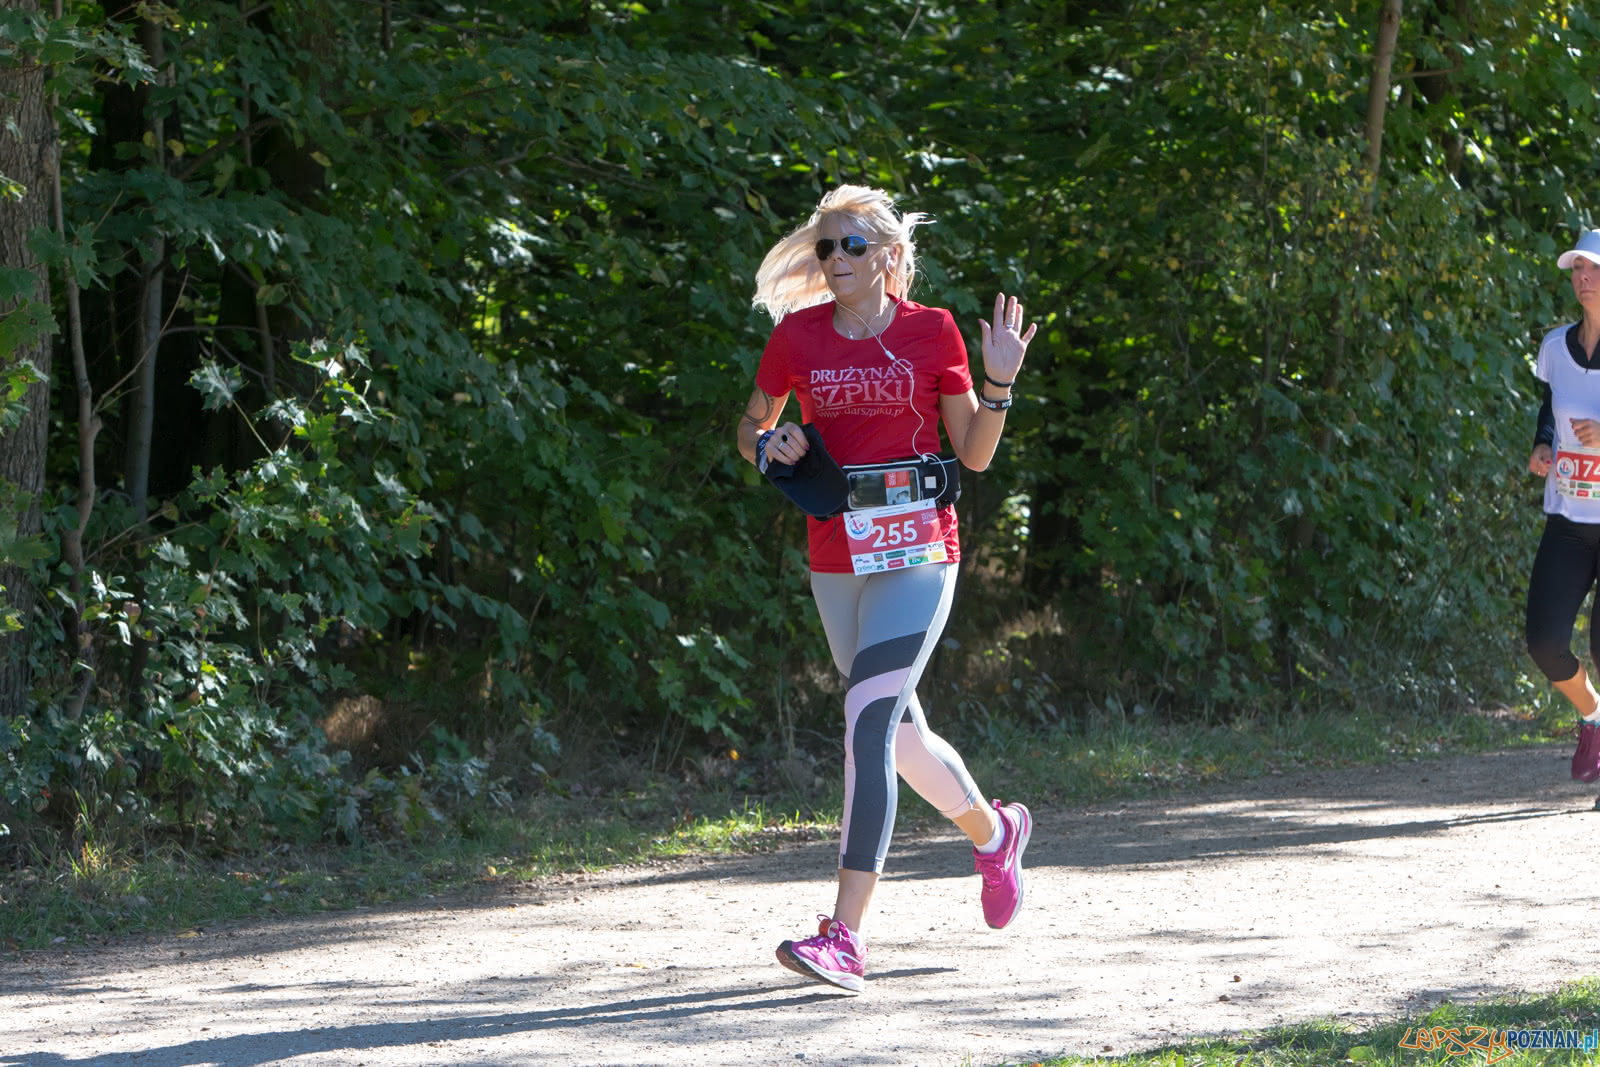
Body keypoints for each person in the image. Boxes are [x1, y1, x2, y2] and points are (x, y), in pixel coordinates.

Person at [736, 184, 1037, 994]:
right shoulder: (796, 337)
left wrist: (999, 384)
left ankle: (845, 933)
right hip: (836, 551)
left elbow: (972, 453)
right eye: (825, 248)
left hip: (918, 550)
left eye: (851, 246)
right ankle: (996, 830)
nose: (834, 259)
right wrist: (775, 444)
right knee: (894, 731)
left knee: (865, 718)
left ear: (890, 257)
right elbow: (753, 425)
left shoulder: (932, 330)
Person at [1526, 228, 1600, 782]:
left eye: (1594, 270)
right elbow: (1549, 408)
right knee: (1546, 642)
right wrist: (1544, 444)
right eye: (1578, 269)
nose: (1584, 279)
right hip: (1569, 521)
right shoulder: (1555, 346)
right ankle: (1595, 717)